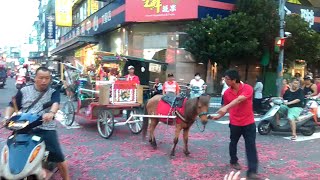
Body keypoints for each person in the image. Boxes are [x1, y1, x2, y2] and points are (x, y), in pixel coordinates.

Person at [1, 67, 70, 180]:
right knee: (11, 147)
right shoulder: (24, 90)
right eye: (41, 78)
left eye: (47, 78)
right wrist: (7, 117)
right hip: (24, 126)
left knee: (57, 155)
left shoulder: (53, 91)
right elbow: (12, 105)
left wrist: (51, 113)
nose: (44, 81)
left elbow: (55, 103)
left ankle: (67, 178)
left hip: (45, 126)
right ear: (35, 78)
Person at [211, 69, 259, 179]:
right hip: (235, 123)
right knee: (233, 142)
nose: (225, 81)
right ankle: (233, 160)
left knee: (251, 146)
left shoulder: (248, 88)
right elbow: (224, 108)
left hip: (248, 123)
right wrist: (217, 116)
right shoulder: (227, 93)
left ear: (234, 80)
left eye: (226, 79)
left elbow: (239, 99)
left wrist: (226, 108)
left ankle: (252, 172)